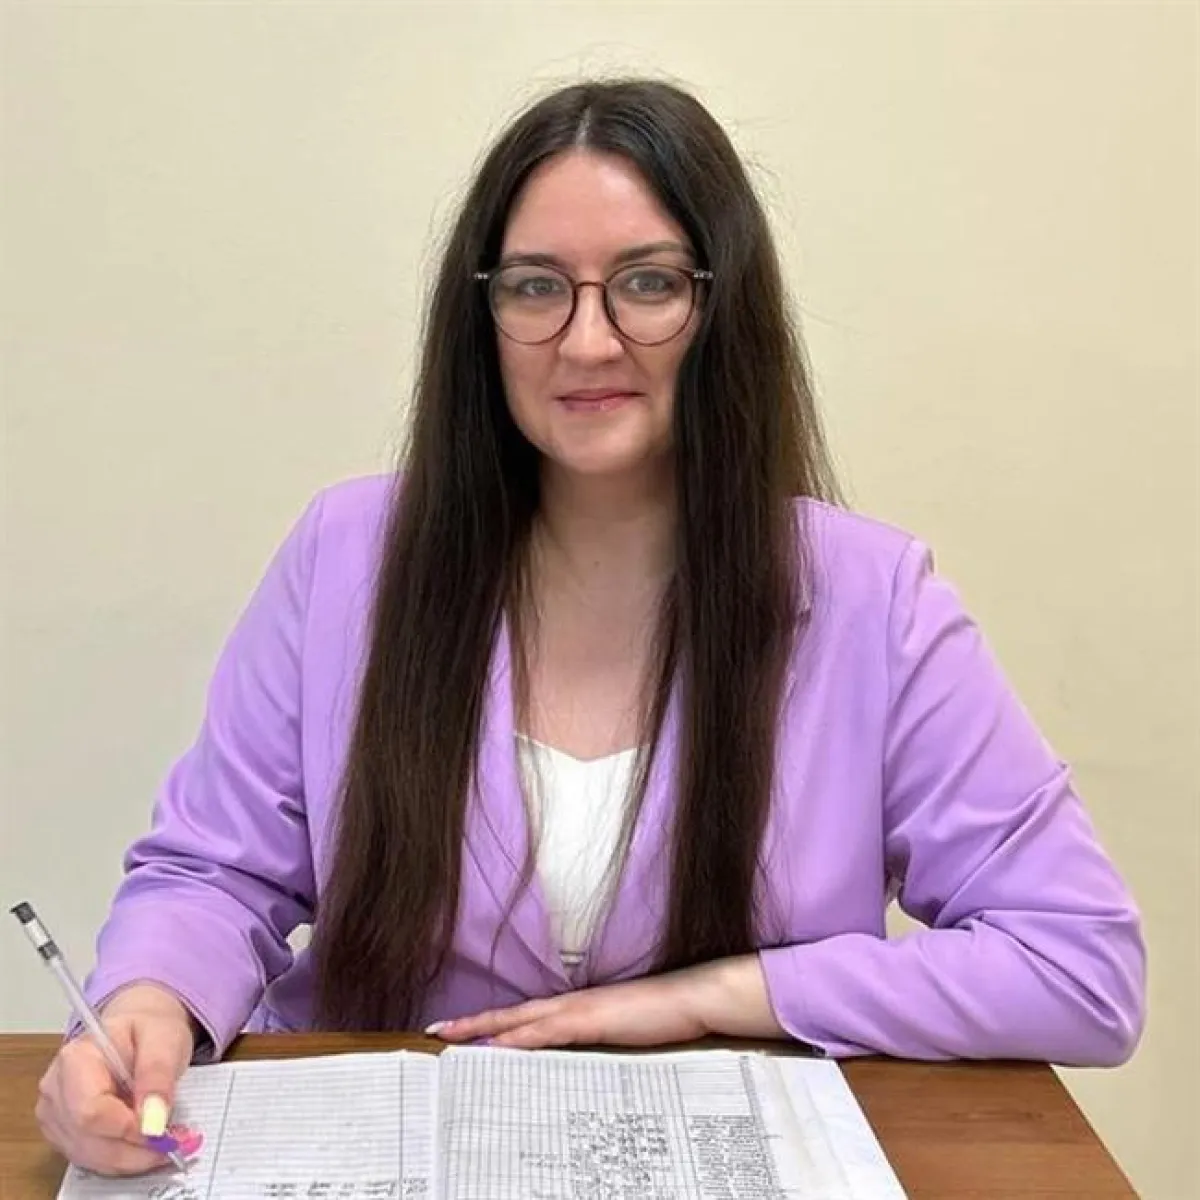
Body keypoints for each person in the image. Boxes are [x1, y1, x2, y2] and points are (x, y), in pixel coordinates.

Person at [35, 77, 1145, 1176]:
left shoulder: (871, 598)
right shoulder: (348, 556)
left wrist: (723, 994)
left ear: (723, 306)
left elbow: (1078, 966)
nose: (588, 341)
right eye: (535, 288)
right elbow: (212, 874)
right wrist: (148, 1004)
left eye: (647, 284)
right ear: (482, 315)